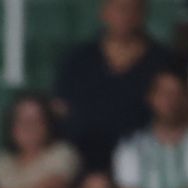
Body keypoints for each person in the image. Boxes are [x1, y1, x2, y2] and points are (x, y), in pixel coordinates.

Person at [52, 0, 178, 172]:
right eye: (118, 9)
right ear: (103, 13)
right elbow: (60, 110)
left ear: (143, 15)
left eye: (132, 10)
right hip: (82, 163)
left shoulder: (164, 61)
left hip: (145, 164)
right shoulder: (77, 59)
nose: (124, 16)